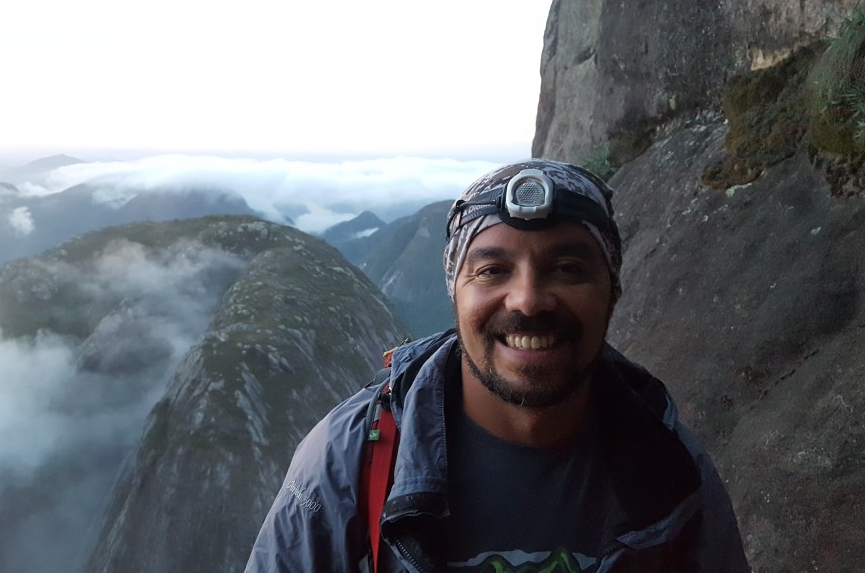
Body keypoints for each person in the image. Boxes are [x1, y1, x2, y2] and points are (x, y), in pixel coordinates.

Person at [245, 159, 750, 572]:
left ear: (611, 292)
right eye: (492, 270)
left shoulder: (672, 472)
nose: (528, 300)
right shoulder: (347, 462)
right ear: (455, 294)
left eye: (568, 269)